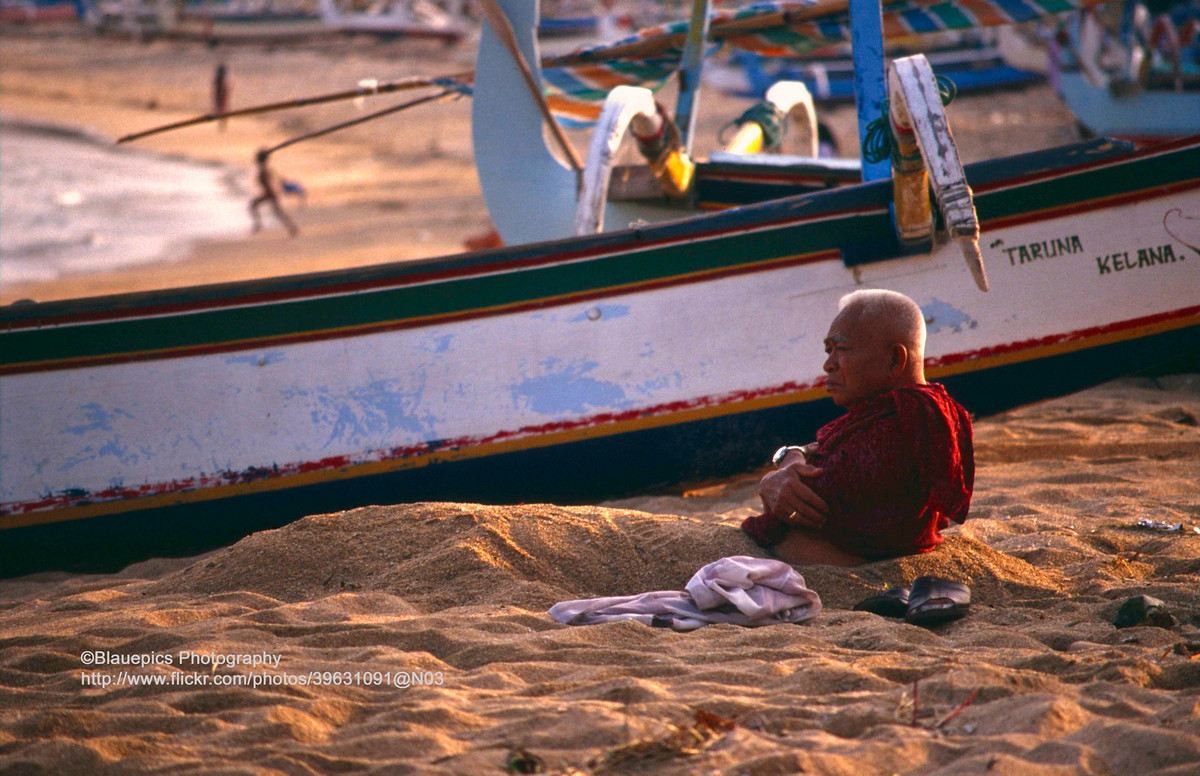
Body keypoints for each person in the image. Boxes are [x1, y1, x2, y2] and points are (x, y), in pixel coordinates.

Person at [741, 289, 974, 566]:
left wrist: (771, 481)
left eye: (841, 349)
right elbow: (809, 462)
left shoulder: (897, 427)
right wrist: (792, 456)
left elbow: (780, 515)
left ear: (894, 359)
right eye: (828, 350)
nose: (828, 365)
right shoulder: (928, 410)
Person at [249, 149, 299, 237]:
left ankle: (258, 225)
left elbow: (269, 181)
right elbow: (274, 178)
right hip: (269, 192)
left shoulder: (264, 170)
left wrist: (272, 191)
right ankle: (292, 227)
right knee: (276, 211)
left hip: (270, 193)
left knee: (256, 206)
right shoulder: (264, 169)